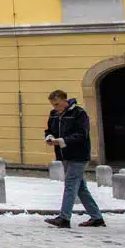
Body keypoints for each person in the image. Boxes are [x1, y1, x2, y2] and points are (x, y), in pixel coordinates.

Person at [44, 89, 104, 228]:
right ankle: (97, 218)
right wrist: (49, 137)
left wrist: (62, 141)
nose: (55, 107)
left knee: (70, 185)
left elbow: (82, 135)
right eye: (53, 105)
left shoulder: (79, 113)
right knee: (80, 188)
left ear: (65, 100)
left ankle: (64, 218)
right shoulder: (54, 114)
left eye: (57, 104)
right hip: (64, 155)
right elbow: (49, 130)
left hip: (79, 155)